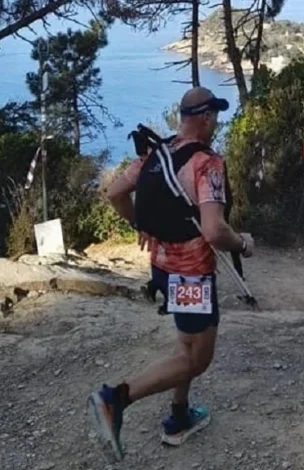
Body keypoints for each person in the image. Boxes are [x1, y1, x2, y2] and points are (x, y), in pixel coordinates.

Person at [87, 86, 255, 461]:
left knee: (186, 346)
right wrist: (242, 243)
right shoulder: (206, 163)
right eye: (216, 116)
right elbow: (214, 230)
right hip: (192, 275)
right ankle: (115, 398)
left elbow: (114, 193)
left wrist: (142, 224)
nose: (216, 123)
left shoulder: (155, 154)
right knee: (198, 359)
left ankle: (180, 418)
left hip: (162, 270)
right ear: (207, 117)